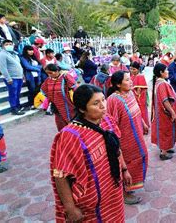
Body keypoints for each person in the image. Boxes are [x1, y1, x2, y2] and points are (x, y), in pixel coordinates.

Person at [50, 84, 128, 222]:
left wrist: (124, 169)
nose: (103, 106)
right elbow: (61, 175)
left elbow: (116, 149)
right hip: (91, 208)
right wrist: (70, 208)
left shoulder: (107, 120)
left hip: (112, 194)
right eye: (96, 103)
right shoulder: (71, 136)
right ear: (82, 108)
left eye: (103, 100)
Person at [106, 71, 148, 205]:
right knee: (127, 165)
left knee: (140, 158)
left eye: (130, 79)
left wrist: (143, 123)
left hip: (137, 137)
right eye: (127, 80)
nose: (131, 82)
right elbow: (111, 125)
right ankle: (125, 192)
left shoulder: (130, 93)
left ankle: (130, 187)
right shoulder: (113, 100)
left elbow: (136, 111)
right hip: (125, 142)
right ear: (118, 84)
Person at [151, 63, 176, 160]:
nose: (168, 71)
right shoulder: (162, 84)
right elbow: (165, 100)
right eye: (166, 70)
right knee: (166, 131)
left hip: (163, 113)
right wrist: (173, 113)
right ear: (161, 72)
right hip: (165, 114)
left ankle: (166, 148)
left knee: (167, 130)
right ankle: (164, 153)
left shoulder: (160, 82)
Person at [41, 64, 77, 131]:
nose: (49, 75)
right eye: (48, 73)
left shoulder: (65, 77)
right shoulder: (48, 80)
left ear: (57, 71)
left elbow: (74, 87)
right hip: (56, 106)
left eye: (51, 73)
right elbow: (44, 90)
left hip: (68, 106)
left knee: (71, 122)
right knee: (60, 125)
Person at [0, 39, 24, 115]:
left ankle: (18, 106)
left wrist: (22, 75)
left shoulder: (14, 54)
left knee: (17, 93)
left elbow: (19, 65)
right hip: (11, 78)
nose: (9, 45)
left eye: (10, 44)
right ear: (3, 46)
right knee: (13, 93)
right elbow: (3, 68)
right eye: (7, 44)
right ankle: (14, 109)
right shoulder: (2, 54)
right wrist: (8, 78)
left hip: (18, 77)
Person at [20, 45, 42, 110]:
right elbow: (27, 67)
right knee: (32, 90)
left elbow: (40, 65)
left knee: (37, 90)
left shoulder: (33, 57)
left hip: (37, 76)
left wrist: (36, 68)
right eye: (29, 50)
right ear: (26, 51)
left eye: (32, 50)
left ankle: (36, 103)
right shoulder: (23, 57)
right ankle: (31, 104)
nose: (31, 51)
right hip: (30, 76)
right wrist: (37, 68)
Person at [130, 61, 150, 127]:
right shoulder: (132, 76)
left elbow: (139, 90)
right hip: (133, 98)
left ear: (138, 69)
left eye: (134, 69)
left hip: (139, 99)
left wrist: (136, 96)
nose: (132, 70)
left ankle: (143, 127)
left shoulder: (140, 76)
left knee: (141, 112)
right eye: (131, 69)